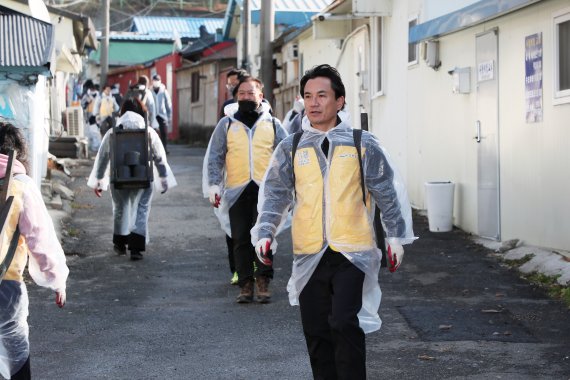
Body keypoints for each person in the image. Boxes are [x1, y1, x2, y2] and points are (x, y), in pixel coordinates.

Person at [251, 64, 416, 379]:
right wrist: (265, 232)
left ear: (340, 101)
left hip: (352, 251)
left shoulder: (361, 143)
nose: (313, 103)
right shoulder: (292, 146)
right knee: (316, 331)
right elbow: (275, 194)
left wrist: (396, 236)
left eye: (322, 95)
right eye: (308, 96)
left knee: (343, 322)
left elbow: (386, 191)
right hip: (309, 250)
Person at [203, 75, 287, 303]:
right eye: (242, 93)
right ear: (236, 97)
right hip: (236, 190)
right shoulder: (226, 124)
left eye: (251, 93)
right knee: (240, 238)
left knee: (264, 236)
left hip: (266, 191)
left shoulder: (273, 124)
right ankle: (246, 284)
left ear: (261, 96)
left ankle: (263, 281)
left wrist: (288, 185)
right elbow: (215, 157)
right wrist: (214, 184)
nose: (247, 96)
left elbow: (286, 156)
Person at [0, 121, 68, 380]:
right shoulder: (21, 185)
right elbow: (41, 239)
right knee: (15, 346)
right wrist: (57, 280)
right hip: (6, 286)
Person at [87, 98, 177, 260]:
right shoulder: (148, 132)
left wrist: (99, 182)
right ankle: (136, 249)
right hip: (144, 177)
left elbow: (102, 159)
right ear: (141, 112)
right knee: (141, 210)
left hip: (118, 177)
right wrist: (163, 179)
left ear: (122, 112)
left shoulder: (112, 132)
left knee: (120, 208)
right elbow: (159, 159)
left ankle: (120, 244)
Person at [217, 68, 248, 285]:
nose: (231, 87)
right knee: (234, 227)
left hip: (257, 179)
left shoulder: (264, 111)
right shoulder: (227, 110)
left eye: (234, 83)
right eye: (229, 84)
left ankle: (255, 269)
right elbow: (219, 144)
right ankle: (237, 268)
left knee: (256, 226)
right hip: (233, 177)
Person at [151, 74, 172, 154]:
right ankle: (154, 150)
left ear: (160, 81)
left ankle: (164, 149)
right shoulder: (150, 91)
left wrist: (169, 117)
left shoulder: (164, 91)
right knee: (153, 133)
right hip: (153, 115)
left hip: (162, 115)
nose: (155, 82)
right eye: (154, 80)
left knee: (163, 133)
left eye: (157, 81)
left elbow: (168, 105)